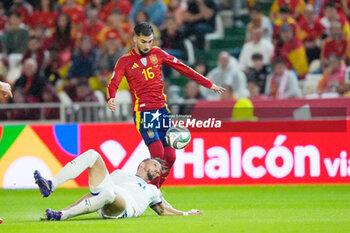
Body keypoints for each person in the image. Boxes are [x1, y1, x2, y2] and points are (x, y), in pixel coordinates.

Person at [107, 22, 225, 189]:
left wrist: (208, 83)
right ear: (135, 39)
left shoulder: (158, 54)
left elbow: (183, 68)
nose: (147, 46)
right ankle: (152, 196)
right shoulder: (125, 61)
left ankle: (153, 191)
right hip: (144, 113)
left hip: (162, 111)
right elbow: (114, 81)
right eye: (143, 41)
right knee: (158, 154)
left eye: (150, 41)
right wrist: (111, 97)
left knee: (170, 157)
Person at [34, 149, 202, 220]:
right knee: (92, 154)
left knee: (109, 194)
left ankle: (62, 217)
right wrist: (65, 207)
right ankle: (51, 185)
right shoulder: (120, 174)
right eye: (155, 165)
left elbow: (163, 210)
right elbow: (93, 194)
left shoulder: (153, 190)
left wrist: (186, 214)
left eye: (159, 169)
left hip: (124, 207)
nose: (158, 171)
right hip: (109, 196)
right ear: (142, 164)